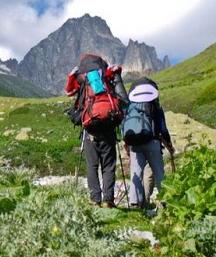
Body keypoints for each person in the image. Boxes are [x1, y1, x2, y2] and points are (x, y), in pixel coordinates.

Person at [66, 54, 128, 208]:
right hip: (108, 127)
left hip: (90, 128)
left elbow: (70, 92)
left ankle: (95, 199)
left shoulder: (82, 79)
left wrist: (72, 76)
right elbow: (122, 100)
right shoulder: (106, 77)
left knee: (92, 165)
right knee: (108, 165)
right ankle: (108, 200)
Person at [125, 78, 175, 208]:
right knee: (159, 172)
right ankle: (166, 201)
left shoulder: (131, 107)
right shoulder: (155, 105)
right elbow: (163, 128)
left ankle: (136, 203)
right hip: (152, 142)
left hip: (135, 144)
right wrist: (168, 144)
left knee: (136, 172)